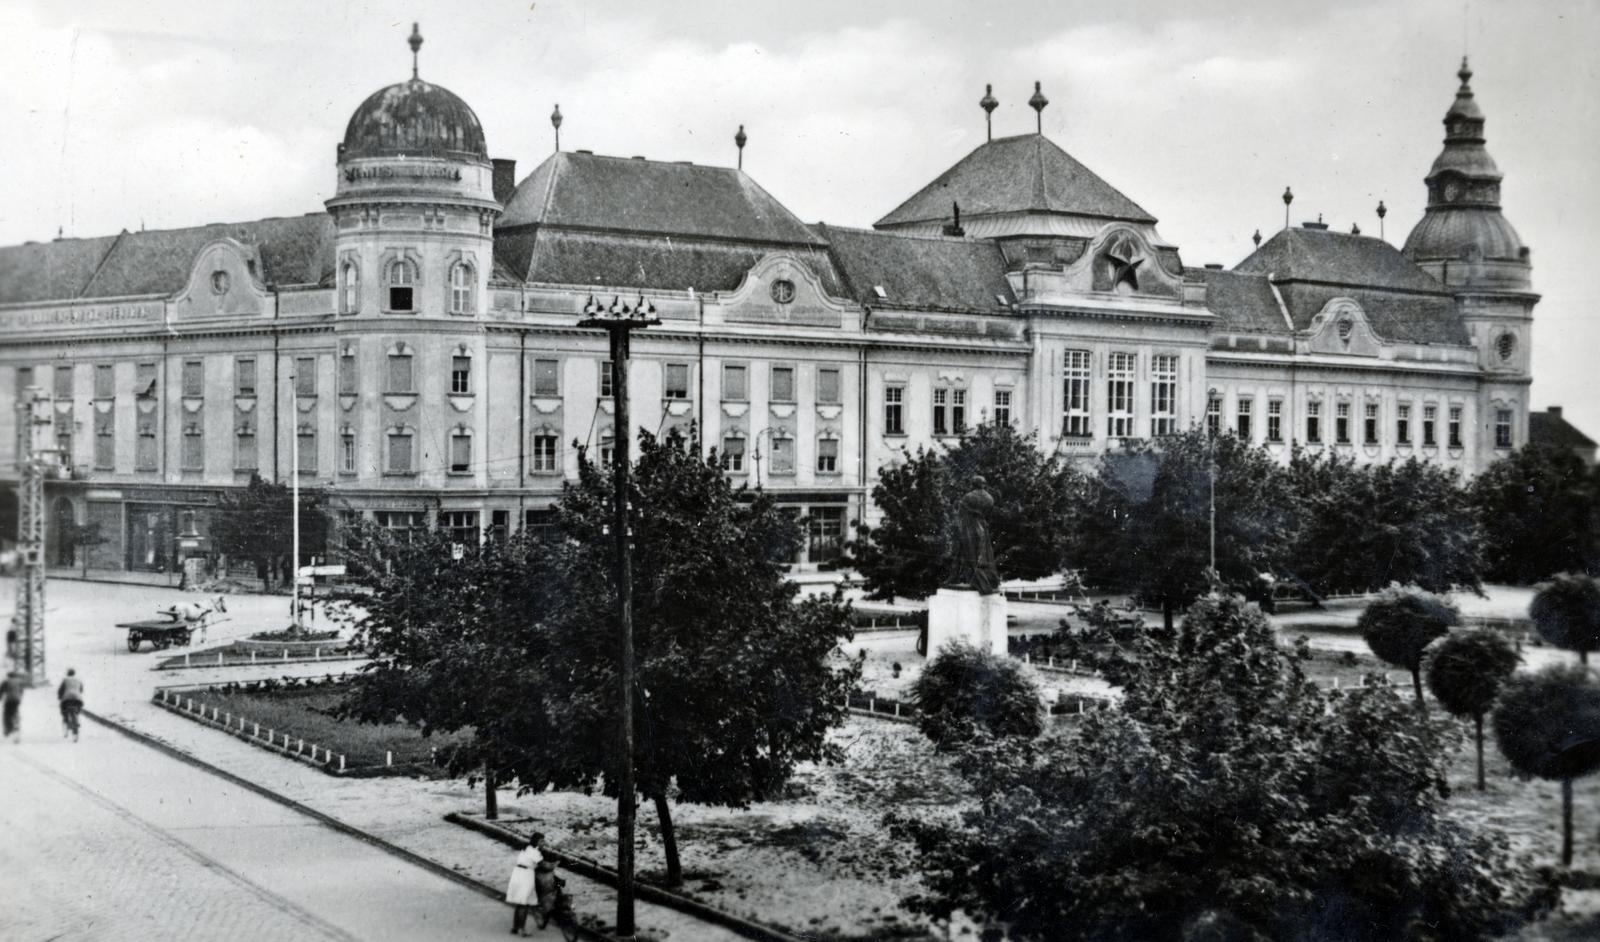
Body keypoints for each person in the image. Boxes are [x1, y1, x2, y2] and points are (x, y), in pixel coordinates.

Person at [504, 832, 544, 935]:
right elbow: (543, 865)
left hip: (517, 873)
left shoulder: (527, 848)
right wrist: (555, 864)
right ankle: (522, 929)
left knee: (520, 903)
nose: (543, 843)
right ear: (536, 842)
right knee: (524, 904)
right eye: (541, 841)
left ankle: (515, 927)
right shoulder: (534, 852)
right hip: (526, 875)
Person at [534, 858, 565, 930]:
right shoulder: (547, 866)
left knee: (556, 888)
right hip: (546, 881)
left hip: (546, 880)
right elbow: (547, 866)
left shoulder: (540, 867)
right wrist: (558, 861)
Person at [58, 668, 84, 741]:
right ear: (74, 674)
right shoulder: (79, 680)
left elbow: (60, 690)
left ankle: (66, 720)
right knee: (78, 710)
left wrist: (60, 696)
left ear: (67, 674)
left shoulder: (65, 680)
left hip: (67, 698)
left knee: (63, 710)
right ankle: (77, 718)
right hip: (77, 699)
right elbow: (81, 690)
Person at [1, 671, 25, 743]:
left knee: (7, 714)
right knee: (15, 713)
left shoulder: (6, 681)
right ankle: (16, 728)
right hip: (17, 701)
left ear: (9, 676)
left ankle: (8, 730)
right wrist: (19, 697)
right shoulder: (20, 682)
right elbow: (21, 691)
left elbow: (1, 691)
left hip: (9, 700)